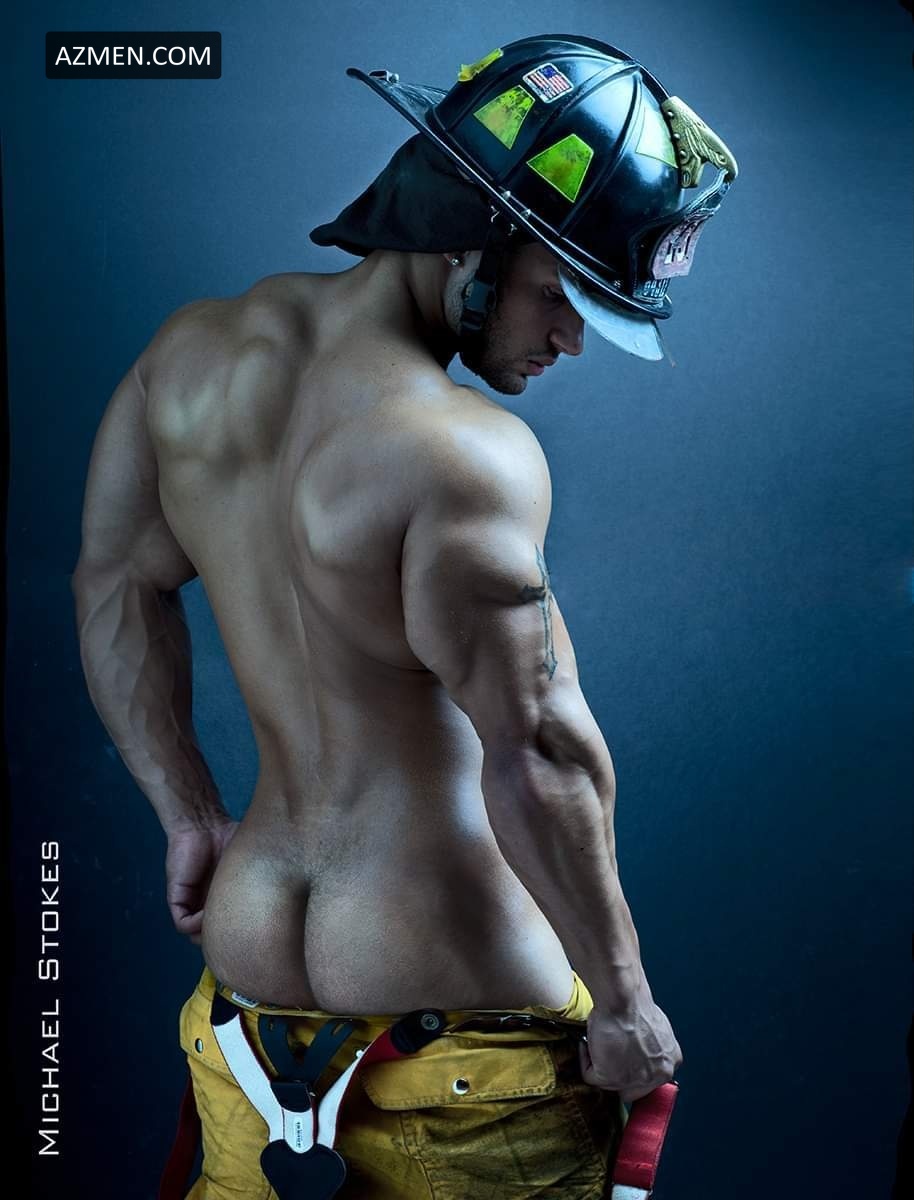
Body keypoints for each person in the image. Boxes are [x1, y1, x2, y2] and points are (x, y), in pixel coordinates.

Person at [72, 34, 737, 1200]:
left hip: (245, 1023)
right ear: (468, 234)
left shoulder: (184, 360)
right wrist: (625, 1005)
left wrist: (188, 816)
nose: (569, 338)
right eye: (558, 293)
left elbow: (115, 585)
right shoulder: (460, 455)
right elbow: (539, 749)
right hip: (466, 1061)